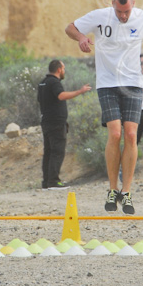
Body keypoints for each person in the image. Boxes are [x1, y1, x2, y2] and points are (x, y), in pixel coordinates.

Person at [66, 0, 143, 214]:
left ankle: (126, 192)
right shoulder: (100, 16)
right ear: (112, 4)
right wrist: (81, 37)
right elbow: (70, 27)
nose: (123, 16)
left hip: (133, 83)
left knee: (131, 135)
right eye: (119, 11)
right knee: (115, 134)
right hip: (107, 83)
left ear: (133, 4)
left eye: (126, 11)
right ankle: (112, 189)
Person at [37, 60, 92, 190]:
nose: (64, 71)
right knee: (57, 151)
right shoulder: (54, 82)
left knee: (48, 152)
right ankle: (53, 182)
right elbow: (61, 96)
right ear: (59, 69)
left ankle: (46, 182)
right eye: (64, 68)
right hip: (56, 122)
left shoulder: (43, 82)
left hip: (46, 121)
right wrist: (80, 91)